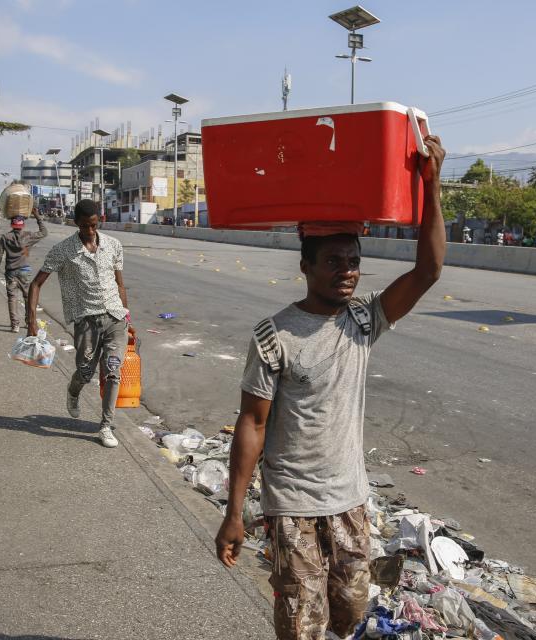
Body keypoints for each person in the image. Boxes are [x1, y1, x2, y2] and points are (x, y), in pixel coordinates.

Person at [214, 135, 447, 640]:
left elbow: (428, 270)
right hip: (292, 505)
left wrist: (432, 184)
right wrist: (236, 513)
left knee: (350, 613)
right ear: (306, 267)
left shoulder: (364, 319)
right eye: (334, 261)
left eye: (354, 261)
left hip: (350, 501)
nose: (347, 272)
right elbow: (252, 423)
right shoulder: (273, 335)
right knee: (302, 625)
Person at [26, 199, 129, 449]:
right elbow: (35, 284)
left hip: (116, 319)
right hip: (86, 321)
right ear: (76, 223)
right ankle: (73, 392)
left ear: (99, 221)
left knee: (113, 372)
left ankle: (105, 426)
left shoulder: (114, 245)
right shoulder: (63, 250)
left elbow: (119, 284)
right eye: (85, 226)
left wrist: (128, 316)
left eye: (94, 225)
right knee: (85, 371)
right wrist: (30, 321)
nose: (90, 231)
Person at [0, 209, 49, 332]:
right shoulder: (28, 236)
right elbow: (44, 232)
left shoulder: (5, 237)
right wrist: (37, 216)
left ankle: (15, 325)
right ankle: (29, 322)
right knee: (28, 297)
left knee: (12, 298)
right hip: (24, 271)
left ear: (12, 224)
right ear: (22, 225)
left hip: (11, 272)